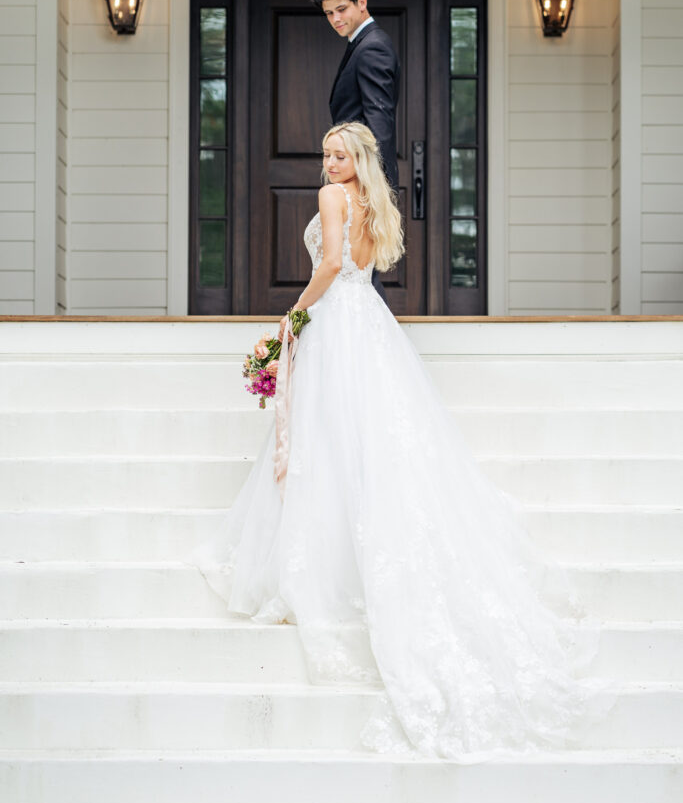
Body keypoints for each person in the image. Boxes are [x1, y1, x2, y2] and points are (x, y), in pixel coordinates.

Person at [192, 122, 612, 762]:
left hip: (338, 322)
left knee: (333, 439)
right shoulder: (371, 202)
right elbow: (355, 265)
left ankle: (326, 565)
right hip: (371, 325)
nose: (328, 164)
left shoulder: (333, 200)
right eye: (326, 154)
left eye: (339, 155)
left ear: (357, 159)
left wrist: (290, 320)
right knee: (365, 440)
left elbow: (331, 265)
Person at [310, 0, 400, 301]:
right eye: (329, 13)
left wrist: (371, 189)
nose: (335, 19)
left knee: (360, 280)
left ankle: (374, 352)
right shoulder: (359, 43)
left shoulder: (372, 47)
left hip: (364, 184)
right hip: (356, 182)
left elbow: (379, 126)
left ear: (362, 2)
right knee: (356, 280)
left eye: (341, 9)